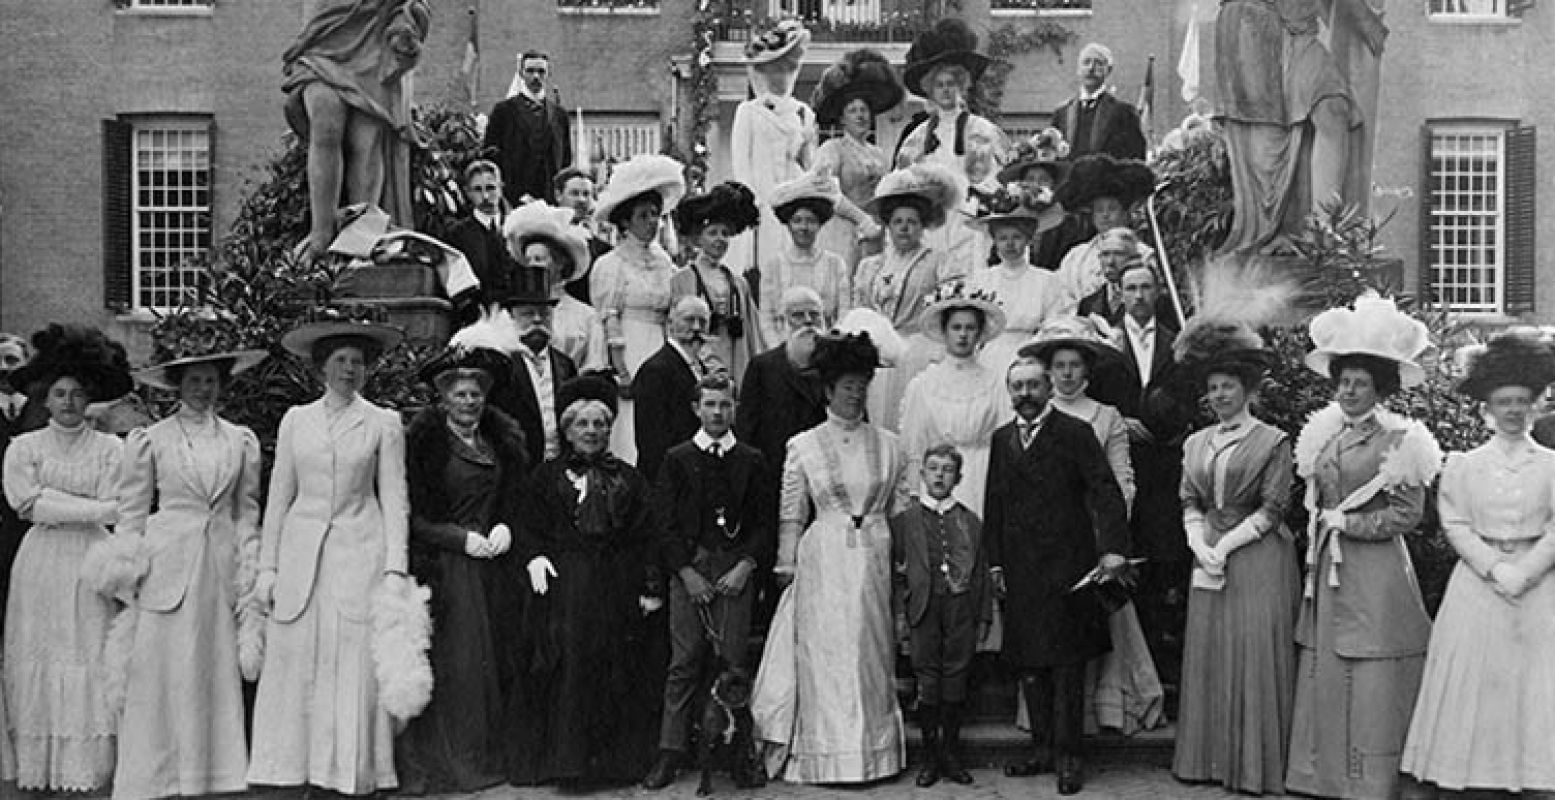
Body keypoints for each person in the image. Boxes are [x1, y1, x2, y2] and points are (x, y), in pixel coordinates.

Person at [1286, 293, 1442, 799]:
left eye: (1360, 384)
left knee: (1371, 668)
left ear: (1381, 390)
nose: (1350, 391)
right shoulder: (1326, 433)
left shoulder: (1401, 439)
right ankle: (1324, 775)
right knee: (1327, 664)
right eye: (1344, 382)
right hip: (1329, 572)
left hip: (1375, 574)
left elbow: (1408, 514)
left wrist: (1348, 523)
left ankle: (1370, 780)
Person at [248, 311, 410, 795]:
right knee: (298, 663)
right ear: (321, 367)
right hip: (302, 557)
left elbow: (394, 498)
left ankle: (349, 772)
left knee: (351, 664)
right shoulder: (296, 420)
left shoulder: (383, 422)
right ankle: (288, 769)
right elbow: (279, 498)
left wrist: (395, 569)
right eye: (339, 360)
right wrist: (268, 566)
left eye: (357, 361)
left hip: (359, 551)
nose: (348, 369)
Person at [751, 327, 908, 784]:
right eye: (846, 388)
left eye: (861, 387)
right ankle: (826, 755)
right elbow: (790, 514)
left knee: (870, 651)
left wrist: (902, 562)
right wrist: (785, 564)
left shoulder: (890, 444)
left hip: (874, 550)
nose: (855, 396)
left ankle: (874, 756)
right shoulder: (804, 446)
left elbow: (899, 508)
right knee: (829, 653)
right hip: (824, 555)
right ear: (827, 390)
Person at [1401, 330, 1555, 796]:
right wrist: (1494, 567)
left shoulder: (1552, 464)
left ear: (1535, 405)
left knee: (1532, 681)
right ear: (1486, 407)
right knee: (1477, 680)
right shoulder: (1465, 464)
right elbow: (1455, 522)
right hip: (1478, 585)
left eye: (1522, 401)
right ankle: (1471, 772)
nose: (1513, 410)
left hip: (1538, 584)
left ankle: (1533, 773)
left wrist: (1526, 571)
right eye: (1503, 401)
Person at [110, 345, 267, 800]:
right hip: (167, 561)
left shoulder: (240, 440)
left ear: (222, 384)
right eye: (194, 380)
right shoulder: (151, 439)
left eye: (211, 380)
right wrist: (128, 568)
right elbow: (132, 510)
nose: (203, 389)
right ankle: (155, 776)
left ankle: (212, 775)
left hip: (220, 564)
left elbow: (246, 510)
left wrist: (248, 563)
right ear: (178, 386)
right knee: (162, 669)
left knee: (212, 668)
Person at [508, 377, 665, 785]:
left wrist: (650, 587)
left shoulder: (629, 478)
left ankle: (614, 764)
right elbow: (528, 527)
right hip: (568, 586)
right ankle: (569, 764)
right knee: (569, 666)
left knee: (614, 665)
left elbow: (647, 535)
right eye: (583, 425)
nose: (592, 432)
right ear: (567, 430)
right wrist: (536, 558)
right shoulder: (546, 477)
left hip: (617, 581)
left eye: (599, 425)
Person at [986, 357, 1129, 796]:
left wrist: (1111, 550)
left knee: (1068, 665)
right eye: (1018, 387)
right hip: (1021, 568)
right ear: (1010, 393)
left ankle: (1070, 757)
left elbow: (1105, 491)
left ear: (1049, 388)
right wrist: (994, 563)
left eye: (1033, 385)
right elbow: (995, 505)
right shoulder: (1002, 438)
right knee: (1031, 663)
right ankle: (1041, 749)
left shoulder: (1075, 432)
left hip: (1069, 564)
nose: (1025, 394)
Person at [1170, 317, 1300, 795]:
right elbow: (1190, 499)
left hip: (1257, 555)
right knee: (1212, 654)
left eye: (1229, 386)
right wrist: (1199, 545)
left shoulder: (1273, 440)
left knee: (1253, 653)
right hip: (1206, 556)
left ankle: (1253, 767)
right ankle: (1209, 761)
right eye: (1214, 388)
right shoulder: (1195, 443)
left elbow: (1274, 507)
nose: (1221, 395)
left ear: (1247, 390)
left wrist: (1224, 547)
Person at [4, 324, 132, 791]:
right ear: (47, 397)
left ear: (90, 397)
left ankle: (89, 767)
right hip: (40, 564)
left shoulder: (112, 449)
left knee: (89, 650)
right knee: (44, 649)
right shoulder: (24, 448)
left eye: (78, 393)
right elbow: (26, 505)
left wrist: (56, 504)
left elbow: (120, 505)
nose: (69, 402)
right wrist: (84, 507)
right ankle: (41, 764)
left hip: (93, 562)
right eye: (60, 393)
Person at [1022, 318, 1165, 738]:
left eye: (1075, 365)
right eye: (1059, 365)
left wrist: (1108, 537)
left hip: (1093, 538)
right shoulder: (1034, 414)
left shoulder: (1106, 417)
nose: (1067, 373)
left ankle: (1105, 709)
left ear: (1087, 370)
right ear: (1047, 372)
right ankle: (1047, 725)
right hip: (1046, 541)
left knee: (1097, 621)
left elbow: (1122, 480)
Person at [396, 343, 526, 794]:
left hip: (494, 563)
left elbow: (513, 496)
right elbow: (414, 517)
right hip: (450, 568)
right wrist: (459, 539)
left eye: (476, 395)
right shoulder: (428, 446)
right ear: (443, 400)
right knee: (461, 665)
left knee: (493, 661)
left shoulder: (500, 443)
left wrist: (507, 524)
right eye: (460, 395)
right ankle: (454, 762)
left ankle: (492, 755)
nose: (469, 402)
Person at [642, 374, 770, 791]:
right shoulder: (677, 458)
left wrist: (746, 565)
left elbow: (763, 523)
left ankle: (737, 754)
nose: (718, 412)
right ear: (697, 408)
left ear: (735, 408)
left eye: (725, 405)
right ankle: (671, 751)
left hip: (734, 572)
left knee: (732, 662)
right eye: (710, 404)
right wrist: (686, 572)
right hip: (691, 570)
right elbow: (664, 524)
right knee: (684, 661)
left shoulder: (751, 459)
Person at [1092, 263, 1194, 695]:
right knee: (1121, 553)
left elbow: (1191, 394)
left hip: (1164, 462)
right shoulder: (1102, 341)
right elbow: (1093, 394)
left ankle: (1157, 655)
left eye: (1146, 287)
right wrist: (1121, 420)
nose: (1138, 295)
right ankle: (1119, 666)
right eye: (1130, 288)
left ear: (1157, 292)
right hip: (1120, 459)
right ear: (1118, 292)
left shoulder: (1179, 342)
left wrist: (1171, 423)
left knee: (1161, 554)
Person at [1215, 0, 1385, 255]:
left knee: (1333, 107)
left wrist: (1359, 17)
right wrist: (1362, 17)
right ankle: (1280, 229)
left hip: (1299, 24)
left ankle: (1325, 230)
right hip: (1252, 22)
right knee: (1269, 148)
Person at [283, 0, 431, 260]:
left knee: (368, 136)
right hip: (324, 37)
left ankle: (363, 236)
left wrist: (409, 24)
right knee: (326, 118)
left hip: (375, 39)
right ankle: (321, 233)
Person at [890, 444, 992, 788]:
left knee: (956, 675)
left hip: (960, 607)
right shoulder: (905, 522)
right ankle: (930, 757)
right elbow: (897, 574)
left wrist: (983, 617)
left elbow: (980, 574)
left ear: (958, 478)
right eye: (932, 468)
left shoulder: (971, 521)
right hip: (924, 607)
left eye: (947, 470)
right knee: (927, 677)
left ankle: (951, 753)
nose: (939, 475)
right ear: (922, 474)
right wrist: (900, 616)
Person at [736, 287, 830, 628]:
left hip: (823, 487)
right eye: (798, 316)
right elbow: (746, 430)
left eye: (814, 316)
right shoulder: (763, 367)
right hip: (774, 482)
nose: (807, 324)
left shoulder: (832, 368)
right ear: (782, 322)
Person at [853, 162, 965, 430]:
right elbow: (860, 311)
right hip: (877, 357)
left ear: (923, 226)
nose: (905, 228)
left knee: (914, 423)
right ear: (888, 226)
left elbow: (949, 312)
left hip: (920, 352)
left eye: (912, 222)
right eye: (898, 222)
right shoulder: (870, 266)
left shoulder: (939, 262)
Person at [590, 154, 686, 464]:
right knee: (629, 431)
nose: (652, 223)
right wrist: (621, 371)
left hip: (660, 345)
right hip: (630, 349)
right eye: (644, 215)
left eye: (656, 215)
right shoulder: (611, 265)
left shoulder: (665, 264)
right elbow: (608, 319)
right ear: (625, 221)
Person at [894, 18, 1008, 269]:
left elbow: (995, 181)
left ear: (963, 87)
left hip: (969, 225)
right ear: (930, 91)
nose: (946, 90)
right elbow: (903, 187)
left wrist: (975, 202)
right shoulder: (916, 140)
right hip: (932, 225)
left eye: (951, 84)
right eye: (939, 85)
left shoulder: (982, 131)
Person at [897, 283, 1009, 516]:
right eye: (956, 327)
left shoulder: (995, 383)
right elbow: (914, 446)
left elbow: (1005, 439)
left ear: (979, 333)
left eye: (970, 328)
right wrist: (915, 495)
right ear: (944, 331)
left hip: (982, 476)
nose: (963, 335)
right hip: (937, 478)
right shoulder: (924, 384)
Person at [727, 20, 816, 279]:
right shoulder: (749, 112)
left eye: (789, 68)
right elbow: (741, 166)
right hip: (761, 202)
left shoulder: (802, 114)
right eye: (776, 69)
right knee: (765, 271)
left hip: (794, 201)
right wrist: (750, 207)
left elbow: (810, 166)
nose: (783, 75)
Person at [963, 187, 1072, 373]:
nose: (1010, 244)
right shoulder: (981, 279)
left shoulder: (1046, 280)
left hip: (1031, 356)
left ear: (1028, 240)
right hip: (988, 357)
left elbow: (1054, 325)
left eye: (1017, 237)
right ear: (995, 242)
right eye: (1003, 238)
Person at [808, 48, 900, 269]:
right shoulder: (832, 149)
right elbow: (826, 190)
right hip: (842, 232)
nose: (860, 116)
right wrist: (860, 218)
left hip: (877, 234)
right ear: (842, 118)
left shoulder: (879, 154)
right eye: (853, 111)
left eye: (864, 110)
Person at [481, 268, 578, 468]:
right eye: (527, 314)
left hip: (559, 471)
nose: (537, 320)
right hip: (516, 471)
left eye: (544, 314)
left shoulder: (565, 365)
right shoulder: (499, 364)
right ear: (511, 317)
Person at [672, 182, 766, 383]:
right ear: (699, 238)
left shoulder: (739, 283)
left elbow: (753, 333)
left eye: (725, 233)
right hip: (699, 359)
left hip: (735, 354)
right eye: (712, 233)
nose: (720, 239)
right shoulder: (683, 279)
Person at [505, 201, 607, 373]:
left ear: (560, 264)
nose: (532, 266)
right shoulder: (515, 314)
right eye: (527, 260)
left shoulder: (586, 316)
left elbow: (595, 363)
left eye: (539, 259)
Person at [1053, 155, 1157, 307]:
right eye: (1099, 209)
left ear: (1126, 213)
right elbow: (1061, 295)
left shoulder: (1144, 254)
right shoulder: (1076, 256)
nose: (1105, 215)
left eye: (1112, 208)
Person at [633, 296, 713, 483]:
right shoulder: (655, 370)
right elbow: (651, 440)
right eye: (689, 320)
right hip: (669, 480)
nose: (696, 327)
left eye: (702, 321)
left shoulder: (702, 368)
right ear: (670, 324)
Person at [762, 174, 853, 336]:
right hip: (784, 349)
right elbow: (766, 318)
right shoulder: (773, 265)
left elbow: (844, 313)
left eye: (810, 221)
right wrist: (780, 352)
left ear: (820, 224)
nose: (803, 227)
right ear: (788, 224)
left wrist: (830, 344)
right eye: (797, 221)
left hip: (827, 347)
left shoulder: (835, 264)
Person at [485, 51, 572, 206]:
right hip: (513, 199)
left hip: (551, 201)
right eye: (530, 71)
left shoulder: (560, 115)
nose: (536, 76)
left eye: (541, 71)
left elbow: (565, 160)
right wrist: (509, 193)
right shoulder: (503, 111)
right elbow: (491, 157)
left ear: (548, 74)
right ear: (521, 73)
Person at [997, 129, 1086, 268]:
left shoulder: (1071, 225)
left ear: (1054, 185)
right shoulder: (1007, 221)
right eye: (1030, 179)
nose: (1035, 185)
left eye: (1043, 180)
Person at [445, 160, 516, 322]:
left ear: (501, 188)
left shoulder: (517, 228)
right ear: (468, 193)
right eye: (477, 190)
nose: (485, 196)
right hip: (474, 320)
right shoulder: (457, 235)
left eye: (491, 188)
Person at [1051, 43, 1147, 161]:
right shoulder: (1062, 113)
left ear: (1109, 70)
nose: (1091, 68)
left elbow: (1136, 159)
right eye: (1086, 62)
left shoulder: (1125, 113)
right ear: (1078, 69)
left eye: (1098, 63)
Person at [1076, 228, 1174, 327]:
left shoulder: (1158, 303)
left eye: (1118, 254)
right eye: (1105, 254)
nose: (1110, 262)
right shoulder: (1087, 305)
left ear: (1134, 257)